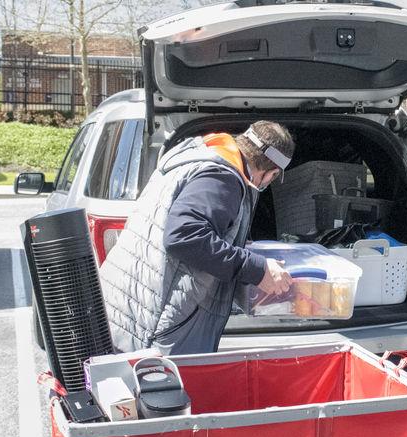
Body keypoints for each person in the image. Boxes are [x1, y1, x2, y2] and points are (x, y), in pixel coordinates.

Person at [100, 121, 295, 355]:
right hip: (151, 324)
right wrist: (255, 268)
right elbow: (184, 236)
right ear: (272, 172)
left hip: (129, 307)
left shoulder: (197, 156)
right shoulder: (221, 176)